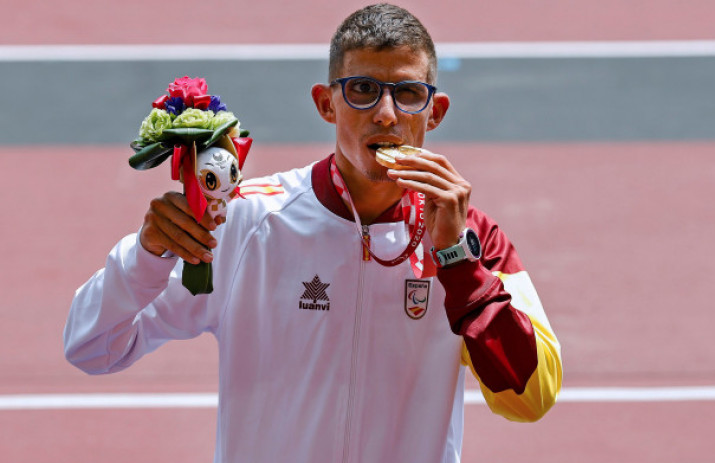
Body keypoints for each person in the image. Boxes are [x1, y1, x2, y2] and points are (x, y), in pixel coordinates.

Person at [64, 3, 562, 462]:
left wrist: (456, 260)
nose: (386, 114)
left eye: (408, 94)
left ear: (434, 111)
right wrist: (146, 256)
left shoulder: (472, 236)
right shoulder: (244, 222)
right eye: (363, 89)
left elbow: (531, 398)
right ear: (327, 103)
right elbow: (91, 346)